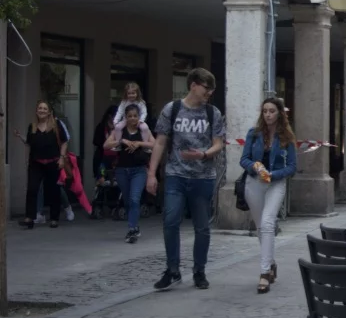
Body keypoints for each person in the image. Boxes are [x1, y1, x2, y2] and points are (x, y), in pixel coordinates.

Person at [146, 68, 226, 291]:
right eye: (206, 88)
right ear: (193, 85)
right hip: (176, 175)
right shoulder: (172, 110)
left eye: (211, 89)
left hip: (203, 177)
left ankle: (199, 271)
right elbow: (160, 142)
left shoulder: (213, 113)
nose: (209, 92)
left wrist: (203, 154)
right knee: (170, 221)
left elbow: (218, 143)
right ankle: (172, 269)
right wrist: (152, 174)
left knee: (202, 228)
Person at [240, 97, 298, 294]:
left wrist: (274, 174)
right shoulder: (253, 134)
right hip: (254, 183)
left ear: (279, 113)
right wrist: (254, 166)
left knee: (267, 224)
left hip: (275, 183)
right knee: (260, 227)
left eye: (271, 111)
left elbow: (292, 166)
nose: (267, 115)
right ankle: (271, 263)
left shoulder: (287, 138)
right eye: (265, 111)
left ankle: (264, 273)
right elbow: (244, 159)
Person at [14, 101, 70, 229]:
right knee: (32, 189)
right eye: (40, 108)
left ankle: (54, 218)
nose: (42, 110)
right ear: (36, 111)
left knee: (53, 191)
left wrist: (62, 158)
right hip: (36, 163)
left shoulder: (56, 126)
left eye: (45, 108)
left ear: (49, 112)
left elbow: (64, 142)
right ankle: (30, 217)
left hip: (52, 162)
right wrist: (20, 137)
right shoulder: (32, 126)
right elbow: (29, 143)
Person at [105, 104, 155, 243]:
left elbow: (155, 144)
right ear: (125, 118)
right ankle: (134, 225)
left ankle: (132, 229)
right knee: (127, 200)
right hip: (122, 170)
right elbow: (106, 145)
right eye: (129, 116)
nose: (132, 119)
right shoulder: (120, 130)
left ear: (139, 117)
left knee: (134, 198)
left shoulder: (143, 130)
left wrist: (139, 143)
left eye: (135, 116)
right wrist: (121, 141)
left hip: (139, 170)